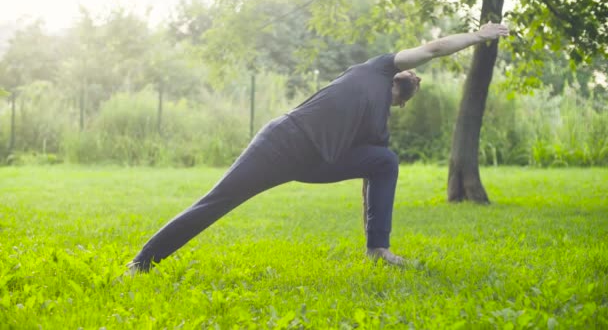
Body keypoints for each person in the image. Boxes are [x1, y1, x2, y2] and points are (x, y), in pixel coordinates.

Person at [129, 22, 509, 272]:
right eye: (404, 83)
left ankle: (379, 251)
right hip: (281, 143)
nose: (407, 82)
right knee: (216, 202)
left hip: (315, 163)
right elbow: (435, 47)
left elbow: (370, 181)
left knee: (384, 161)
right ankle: (142, 261)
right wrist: (478, 36)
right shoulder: (380, 67)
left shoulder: (378, 122)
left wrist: (373, 235)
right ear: (399, 82)